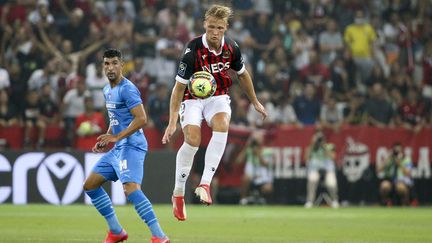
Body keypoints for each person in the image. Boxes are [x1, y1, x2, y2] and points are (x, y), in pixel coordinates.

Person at [162, 4, 267, 221]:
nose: (215, 32)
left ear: (226, 28)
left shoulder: (232, 47)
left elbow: (243, 74)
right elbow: (178, 88)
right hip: (192, 99)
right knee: (192, 140)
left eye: (219, 27)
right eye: (211, 27)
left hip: (218, 96)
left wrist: (255, 101)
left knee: (222, 124)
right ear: (204, 25)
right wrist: (173, 122)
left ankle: (205, 184)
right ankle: (178, 193)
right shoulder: (192, 50)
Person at [83, 49, 169, 243]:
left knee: (130, 188)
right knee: (90, 185)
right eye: (106, 64)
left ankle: (159, 236)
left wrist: (117, 137)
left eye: (114, 63)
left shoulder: (127, 88)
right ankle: (116, 231)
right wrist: (107, 138)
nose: (110, 67)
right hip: (118, 146)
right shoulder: (107, 90)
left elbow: (142, 119)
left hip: (132, 145)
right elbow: (116, 119)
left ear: (122, 65)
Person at [304, 131, 339, 208]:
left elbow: (333, 157)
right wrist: (313, 145)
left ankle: (334, 200)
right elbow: (306, 158)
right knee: (312, 179)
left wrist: (324, 147)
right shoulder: (311, 148)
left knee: (331, 182)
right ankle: (309, 201)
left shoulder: (329, 146)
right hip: (315, 169)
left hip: (328, 170)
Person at [237, 131, 274, 205]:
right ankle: (243, 199)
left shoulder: (268, 151)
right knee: (246, 178)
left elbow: (266, 165)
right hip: (251, 176)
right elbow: (238, 161)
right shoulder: (249, 150)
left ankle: (263, 200)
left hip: (263, 176)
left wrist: (258, 154)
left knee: (267, 188)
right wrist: (247, 147)